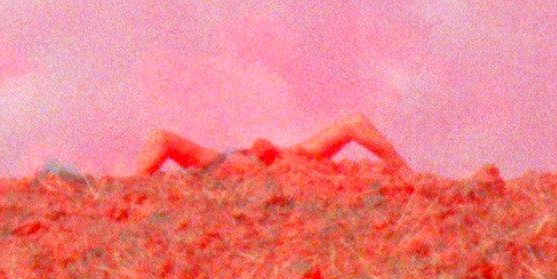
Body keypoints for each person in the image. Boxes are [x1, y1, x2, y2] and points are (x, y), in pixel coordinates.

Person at [133, 113, 408, 175]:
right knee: (160, 137)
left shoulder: (292, 156)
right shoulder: (225, 164)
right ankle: (132, 189)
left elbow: (355, 124)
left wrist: (402, 171)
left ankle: (404, 169)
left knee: (354, 121)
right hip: (239, 162)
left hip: (281, 159)